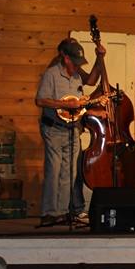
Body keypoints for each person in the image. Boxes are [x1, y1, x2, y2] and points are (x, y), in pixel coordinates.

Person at [35, 38, 105, 227]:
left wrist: (100, 59)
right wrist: (65, 104)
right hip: (53, 129)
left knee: (69, 172)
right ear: (65, 57)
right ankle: (49, 213)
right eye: (74, 61)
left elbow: (91, 79)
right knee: (54, 170)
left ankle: (63, 212)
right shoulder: (52, 74)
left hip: (72, 129)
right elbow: (41, 100)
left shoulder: (76, 74)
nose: (76, 66)